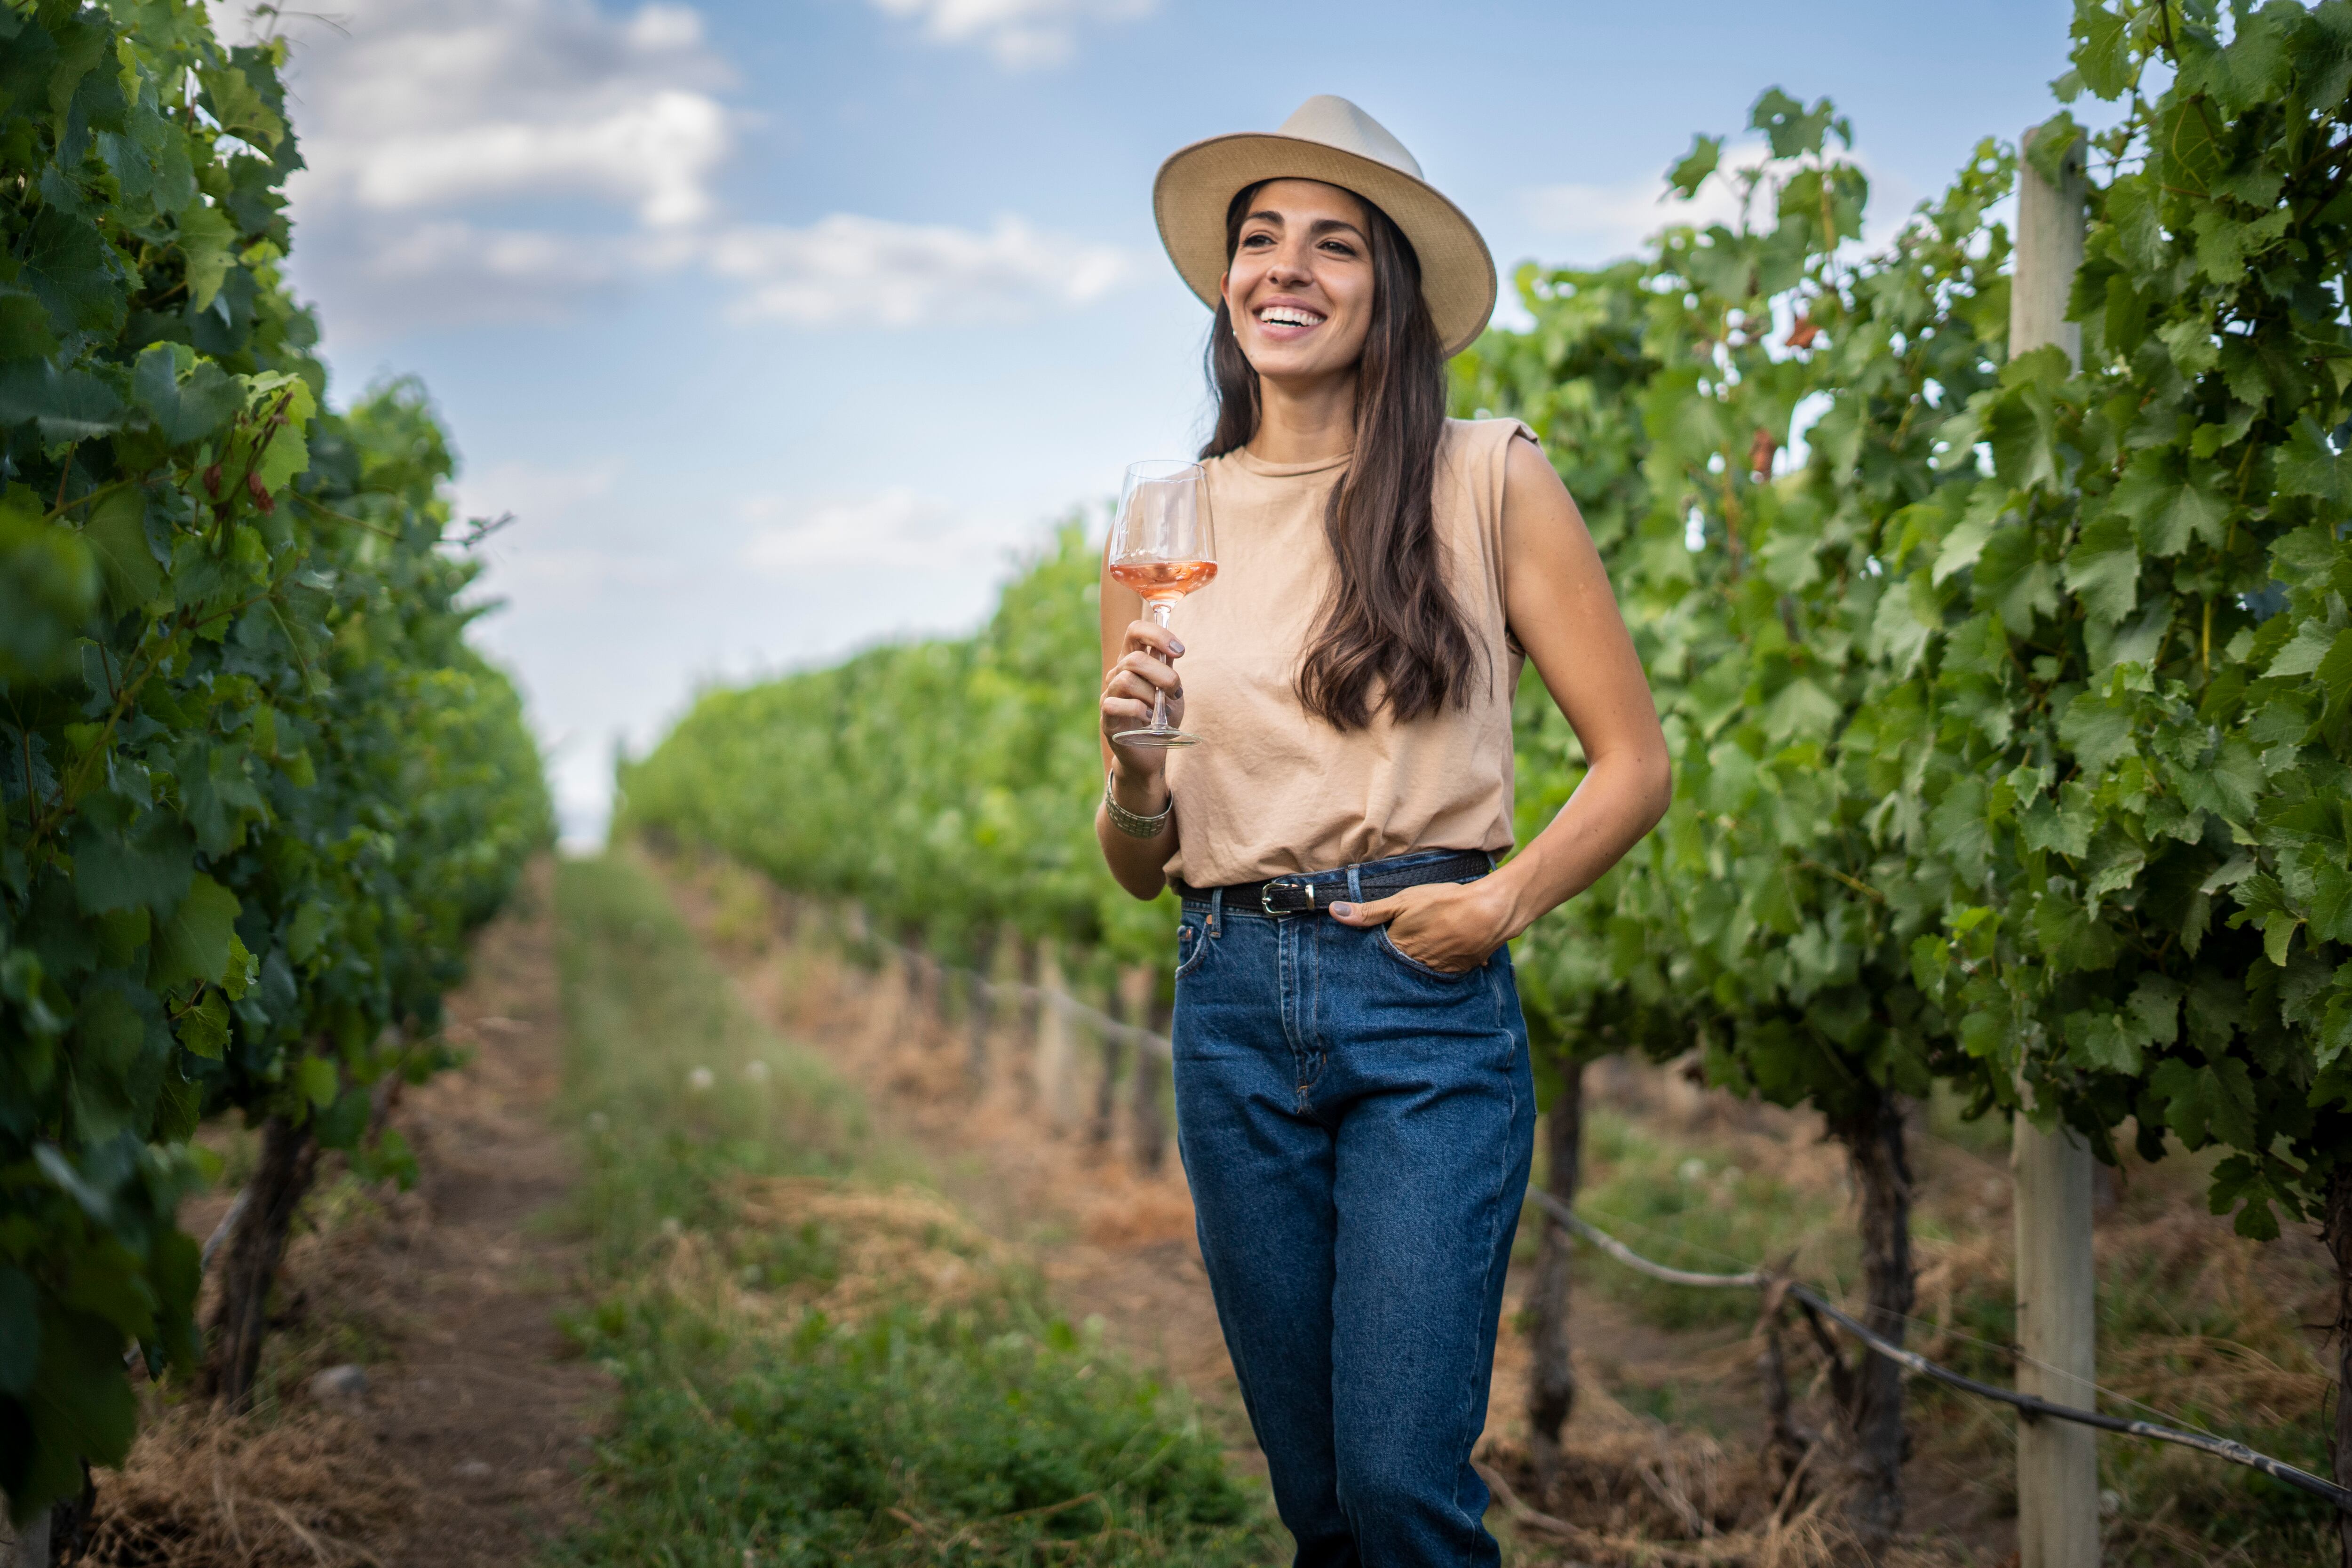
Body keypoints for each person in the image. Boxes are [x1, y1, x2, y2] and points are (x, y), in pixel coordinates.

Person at [1094, 95, 1671, 1567]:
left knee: (1406, 1488)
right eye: (1260, 240)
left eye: (1331, 244)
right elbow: (1137, 857)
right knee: (1322, 1505)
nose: (1287, 268)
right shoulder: (1168, 518)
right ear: (1229, 287)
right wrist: (1135, 772)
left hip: (1422, 994)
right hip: (1227, 996)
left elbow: (1634, 767)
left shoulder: (1487, 476)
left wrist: (1502, 905)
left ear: (1387, 289)